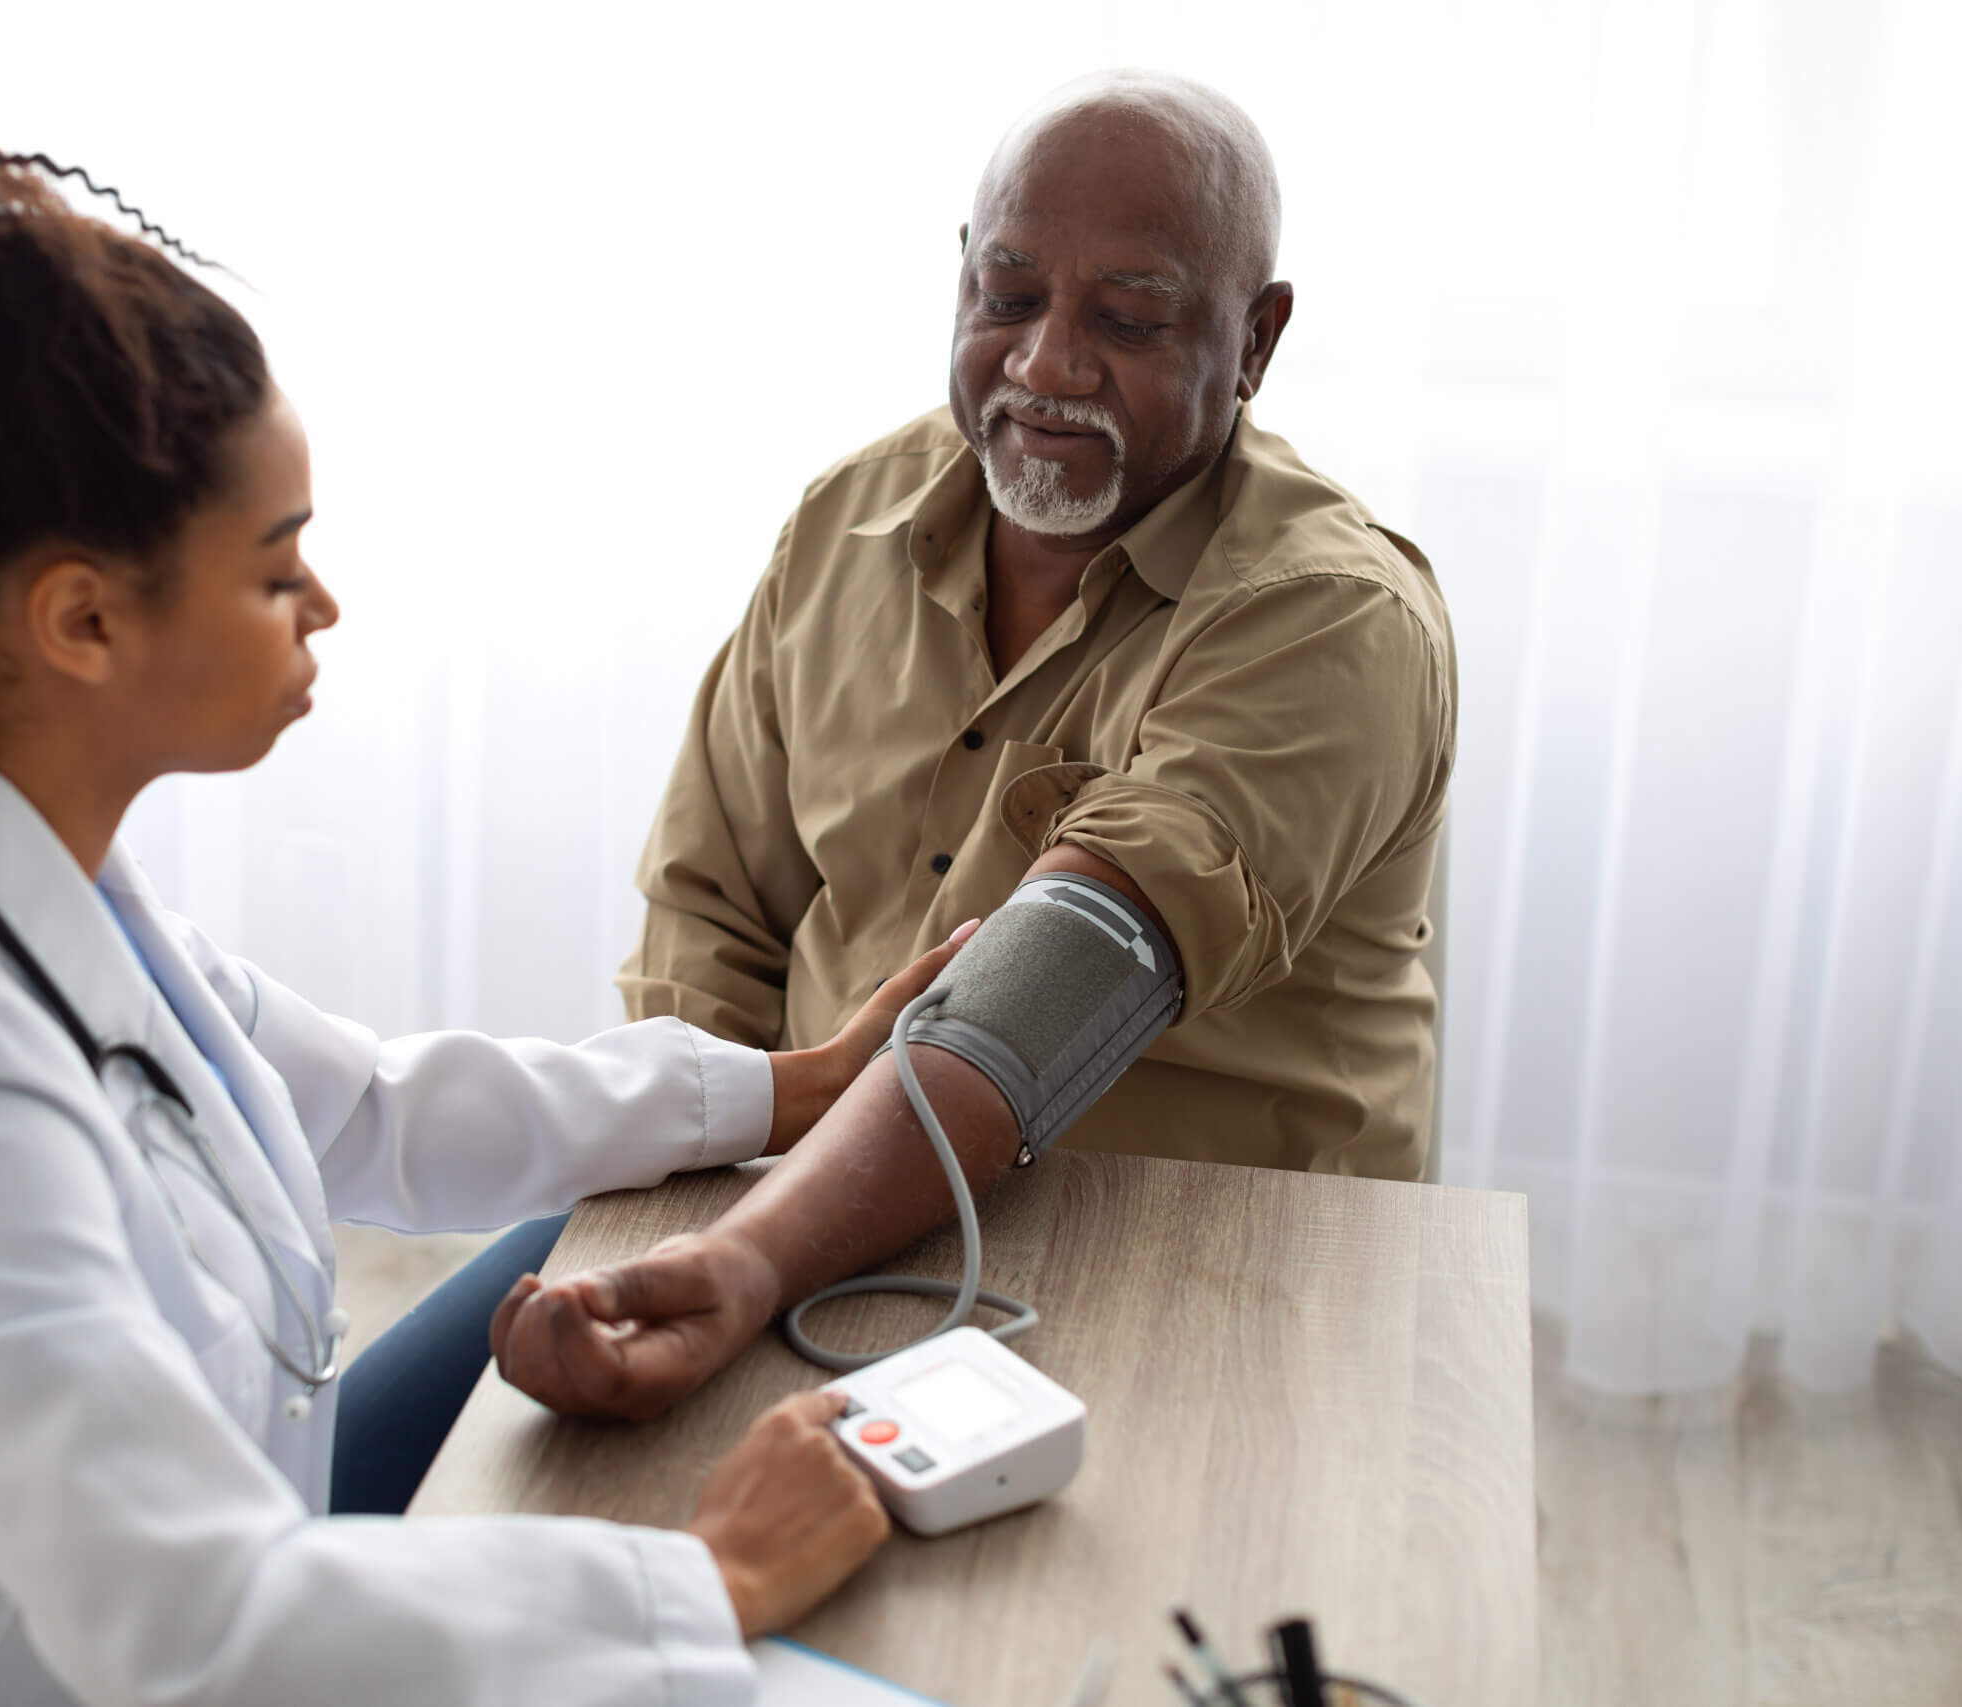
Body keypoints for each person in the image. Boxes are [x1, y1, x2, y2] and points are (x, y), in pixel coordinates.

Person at [0, 143, 968, 1707]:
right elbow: (197, 1630)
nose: (325, 605)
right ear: (83, 619)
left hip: (220, 1555)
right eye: (276, 569)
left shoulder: (36, 877)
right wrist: (707, 1578)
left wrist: (795, 1084)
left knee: (603, 1226)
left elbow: (372, 1105)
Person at [490, 73, 1455, 1424]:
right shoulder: (852, 518)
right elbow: (709, 909)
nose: (1046, 362)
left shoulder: (1327, 617)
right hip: (774, 1195)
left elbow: (1059, 984)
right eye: (1007, 297)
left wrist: (741, 1262)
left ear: (1256, 341)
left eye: (1129, 315)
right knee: (387, 1495)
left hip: (1182, 1272)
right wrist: (685, 1205)